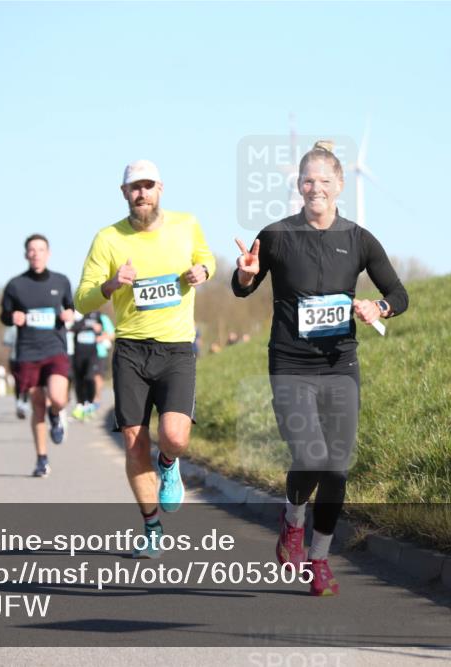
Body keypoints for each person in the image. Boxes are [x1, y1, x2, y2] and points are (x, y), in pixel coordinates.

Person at [232, 141, 409, 595]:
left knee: (337, 467)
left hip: (339, 365)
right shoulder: (275, 236)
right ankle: (292, 519)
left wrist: (379, 306)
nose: (316, 188)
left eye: (325, 181)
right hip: (290, 363)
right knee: (310, 455)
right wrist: (248, 275)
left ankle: (320, 558)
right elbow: (241, 289)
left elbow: (398, 293)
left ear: (340, 186)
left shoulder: (359, 239)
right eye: (308, 180)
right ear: (298, 185)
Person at [76, 159, 215, 557]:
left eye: (148, 185)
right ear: (124, 194)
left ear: (160, 189)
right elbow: (81, 298)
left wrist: (201, 272)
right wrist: (110, 284)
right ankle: (151, 526)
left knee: (174, 435)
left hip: (176, 349)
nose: (141, 193)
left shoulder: (186, 224)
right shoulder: (108, 239)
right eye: (134, 187)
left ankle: (169, 462)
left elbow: (208, 259)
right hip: (131, 351)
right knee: (134, 445)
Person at [1, 234, 75, 477]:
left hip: (55, 349)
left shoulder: (61, 281)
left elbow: (70, 307)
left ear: (48, 253)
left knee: (58, 398)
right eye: (31, 250)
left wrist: (69, 315)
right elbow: (4, 314)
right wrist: (13, 317)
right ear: (26, 255)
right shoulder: (15, 285)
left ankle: (57, 415)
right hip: (28, 353)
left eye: (40, 249)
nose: (36, 254)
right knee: (37, 406)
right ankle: (42, 459)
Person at [70, 310, 115, 420]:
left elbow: (112, 334)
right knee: (83, 379)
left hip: (99, 352)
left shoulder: (101, 317)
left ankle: (95, 401)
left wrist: (101, 337)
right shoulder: (80, 317)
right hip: (82, 353)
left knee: (95, 378)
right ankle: (86, 403)